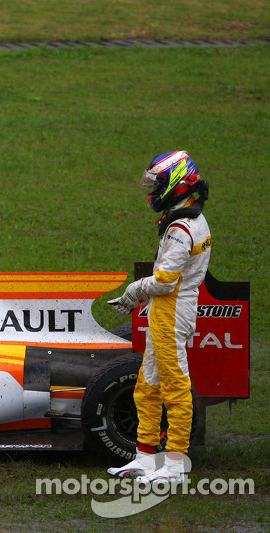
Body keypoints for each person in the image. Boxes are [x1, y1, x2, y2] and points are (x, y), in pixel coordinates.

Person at [106, 150, 211, 484]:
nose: (152, 192)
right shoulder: (187, 219)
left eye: (157, 184)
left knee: (175, 387)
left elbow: (165, 282)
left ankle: (176, 464)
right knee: (146, 386)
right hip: (167, 312)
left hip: (171, 312)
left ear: (176, 185)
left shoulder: (182, 228)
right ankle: (145, 458)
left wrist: (134, 291)